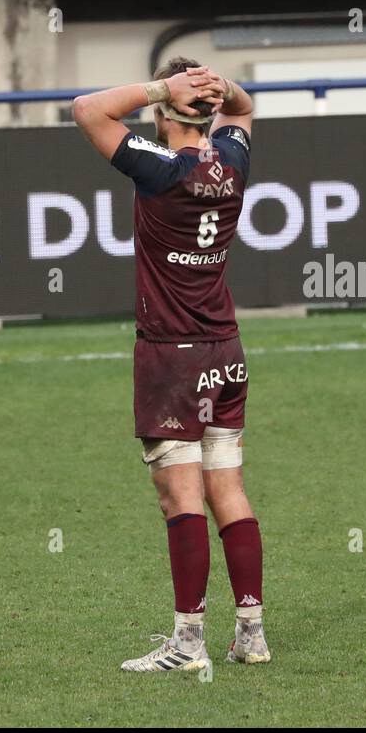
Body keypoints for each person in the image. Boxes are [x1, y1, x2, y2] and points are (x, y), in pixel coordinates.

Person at [72, 57, 270, 670]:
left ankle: (188, 645)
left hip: (170, 358)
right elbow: (243, 108)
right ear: (209, 113)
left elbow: (87, 108)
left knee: (179, 498)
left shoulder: (158, 169)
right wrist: (220, 89)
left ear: (161, 113)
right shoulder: (231, 162)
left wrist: (166, 86)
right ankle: (252, 633)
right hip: (226, 351)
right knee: (229, 490)